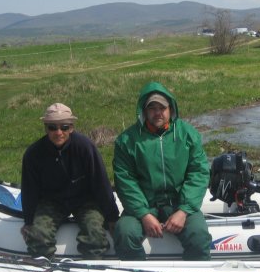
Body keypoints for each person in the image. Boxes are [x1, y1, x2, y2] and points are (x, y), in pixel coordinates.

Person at [113, 82, 211, 260]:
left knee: (199, 236)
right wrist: (144, 214)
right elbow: (125, 181)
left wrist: (183, 211)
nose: (157, 113)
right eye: (152, 108)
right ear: (144, 111)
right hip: (144, 205)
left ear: (170, 109)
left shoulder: (188, 134)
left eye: (162, 108)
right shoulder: (126, 141)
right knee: (125, 233)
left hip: (179, 203)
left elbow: (199, 173)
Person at [21, 103, 119, 258]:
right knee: (38, 236)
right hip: (52, 201)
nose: (58, 132)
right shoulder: (33, 154)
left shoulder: (85, 147)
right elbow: (29, 190)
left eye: (64, 127)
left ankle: (91, 265)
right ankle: (44, 266)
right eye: (52, 127)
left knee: (95, 235)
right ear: (45, 128)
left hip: (85, 200)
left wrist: (112, 217)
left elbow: (101, 183)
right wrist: (28, 221)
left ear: (72, 128)